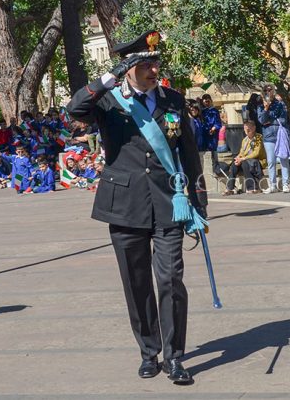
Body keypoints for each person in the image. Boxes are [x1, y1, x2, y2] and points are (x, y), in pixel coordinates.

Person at [66, 30, 204, 384]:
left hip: (169, 202)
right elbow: (75, 108)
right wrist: (110, 76)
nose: (153, 70)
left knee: (171, 278)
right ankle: (149, 352)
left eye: (155, 63)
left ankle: (175, 357)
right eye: (145, 64)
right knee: (136, 281)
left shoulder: (172, 99)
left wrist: (198, 203)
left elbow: (188, 152)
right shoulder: (109, 101)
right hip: (124, 204)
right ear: (129, 68)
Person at [258, 84, 290, 193]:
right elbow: (262, 121)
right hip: (268, 136)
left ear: (273, 91)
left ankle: (286, 184)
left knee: (283, 159)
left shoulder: (280, 104)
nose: (268, 92)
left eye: (269, 89)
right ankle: (273, 185)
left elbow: (283, 119)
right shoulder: (261, 106)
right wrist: (266, 109)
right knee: (271, 161)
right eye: (265, 90)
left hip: (279, 134)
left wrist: (270, 121)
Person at [223, 120, 266, 195]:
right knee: (234, 165)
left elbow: (256, 153)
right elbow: (241, 152)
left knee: (244, 163)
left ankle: (252, 187)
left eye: (249, 128)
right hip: (246, 161)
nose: (247, 130)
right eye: (245, 128)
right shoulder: (244, 140)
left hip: (258, 161)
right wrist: (237, 158)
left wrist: (243, 159)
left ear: (254, 128)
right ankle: (230, 188)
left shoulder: (259, 138)